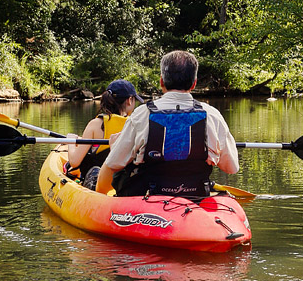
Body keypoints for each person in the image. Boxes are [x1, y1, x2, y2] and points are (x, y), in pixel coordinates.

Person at [95, 50, 239, 198]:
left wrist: (114, 148)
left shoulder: (141, 114)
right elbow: (231, 167)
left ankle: (98, 199)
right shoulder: (212, 115)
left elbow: (113, 164)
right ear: (194, 83)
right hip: (197, 196)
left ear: (161, 81)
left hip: (150, 197)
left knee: (115, 164)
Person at [67, 79, 142, 190]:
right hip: (120, 181)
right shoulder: (136, 125)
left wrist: (71, 141)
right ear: (130, 100)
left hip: (98, 182)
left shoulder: (95, 124)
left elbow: (74, 162)